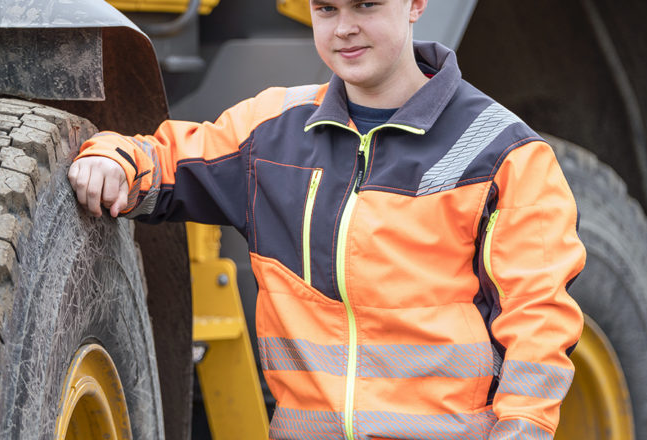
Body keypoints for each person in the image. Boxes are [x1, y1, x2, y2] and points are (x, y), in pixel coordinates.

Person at [68, 0, 585, 438]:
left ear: (416, 5)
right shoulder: (270, 132)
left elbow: (538, 324)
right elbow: (166, 157)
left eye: (365, 4)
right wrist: (112, 157)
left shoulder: (504, 153)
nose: (343, 28)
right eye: (325, 8)